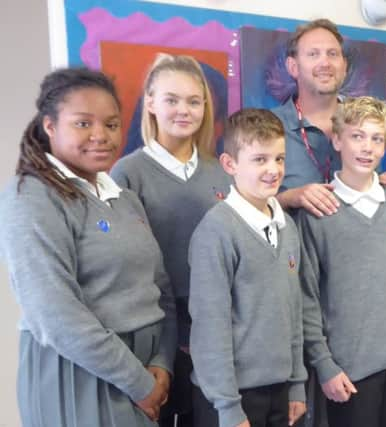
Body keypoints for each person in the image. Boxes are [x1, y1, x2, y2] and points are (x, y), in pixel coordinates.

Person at [0, 67, 176, 426]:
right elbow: (56, 314)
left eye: (111, 125)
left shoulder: (123, 198)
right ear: (50, 126)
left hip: (145, 372)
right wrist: (139, 383)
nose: (101, 136)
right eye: (83, 124)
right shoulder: (31, 197)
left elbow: (160, 288)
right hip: (80, 374)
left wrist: (162, 363)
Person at [111, 53, 232, 427]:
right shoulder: (127, 173)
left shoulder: (222, 173)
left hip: (218, 330)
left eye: (194, 101)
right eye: (171, 99)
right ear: (150, 102)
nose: (184, 110)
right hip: (157, 335)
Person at [297, 96, 386, 427]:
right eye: (357, 136)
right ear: (337, 140)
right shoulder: (318, 211)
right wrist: (324, 364)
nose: (366, 147)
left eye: (376, 138)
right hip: (349, 367)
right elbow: (306, 299)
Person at [189, 108, 307, 427]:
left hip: (278, 389)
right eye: (260, 159)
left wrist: (296, 382)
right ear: (230, 164)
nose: (273, 170)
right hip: (231, 398)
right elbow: (210, 328)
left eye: (279, 159)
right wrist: (228, 407)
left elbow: (293, 311)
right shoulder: (216, 232)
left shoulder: (287, 228)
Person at [272, 18, 386, 218]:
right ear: (293, 67)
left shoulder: (366, 125)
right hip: (294, 248)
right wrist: (288, 198)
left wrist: (380, 184)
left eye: (332, 54)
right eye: (313, 54)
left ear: (344, 67)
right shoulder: (269, 126)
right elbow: (245, 206)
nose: (325, 63)